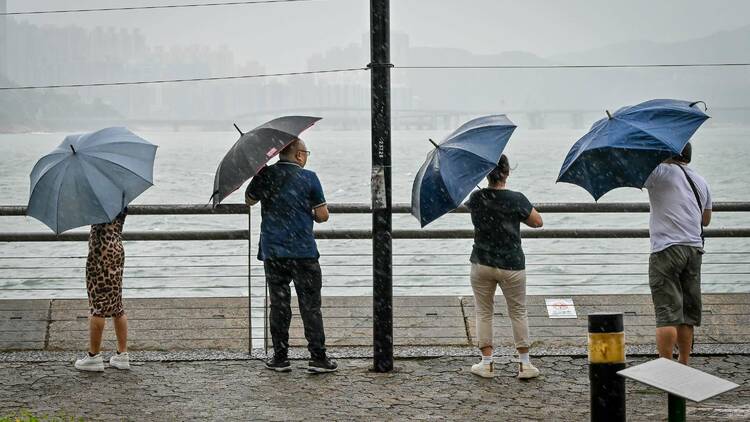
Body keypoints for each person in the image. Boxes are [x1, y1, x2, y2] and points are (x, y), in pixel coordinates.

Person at [245, 138, 337, 373]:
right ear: (298, 155)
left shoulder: (265, 175)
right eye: (306, 152)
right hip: (303, 252)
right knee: (311, 306)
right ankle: (318, 358)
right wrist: (310, 214)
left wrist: (259, 173)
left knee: (279, 305)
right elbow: (323, 215)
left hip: (274, 251)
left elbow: (249, 200)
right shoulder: (309, 178)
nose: (306, 156)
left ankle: (280, 357)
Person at [465, 154, 543, 379]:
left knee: (483, 312)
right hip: (511, 264)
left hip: (482, 262)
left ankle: (487, 363)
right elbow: (537, 222)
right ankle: (525, 364)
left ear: (485, 174)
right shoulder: (516, 198)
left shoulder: (476, 197)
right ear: (507, 172)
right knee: (518, 311)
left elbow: (477, 212)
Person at [643, 142, 711, 365]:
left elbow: (636, 177)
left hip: (666, 250)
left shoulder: (659, 172)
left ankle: (666, 368)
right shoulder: (700, 180)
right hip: (693, 250)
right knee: (686, 315)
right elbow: (706, 219)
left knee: (666, 314)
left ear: (667, 153)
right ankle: (684, 364)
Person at [74, 209, 130, 372]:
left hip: (101, 253)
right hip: (116, 249)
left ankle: (94, 356)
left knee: (97, 305)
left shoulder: (97, 198)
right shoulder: (121, 192)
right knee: (117, 305)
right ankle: (122, 354)